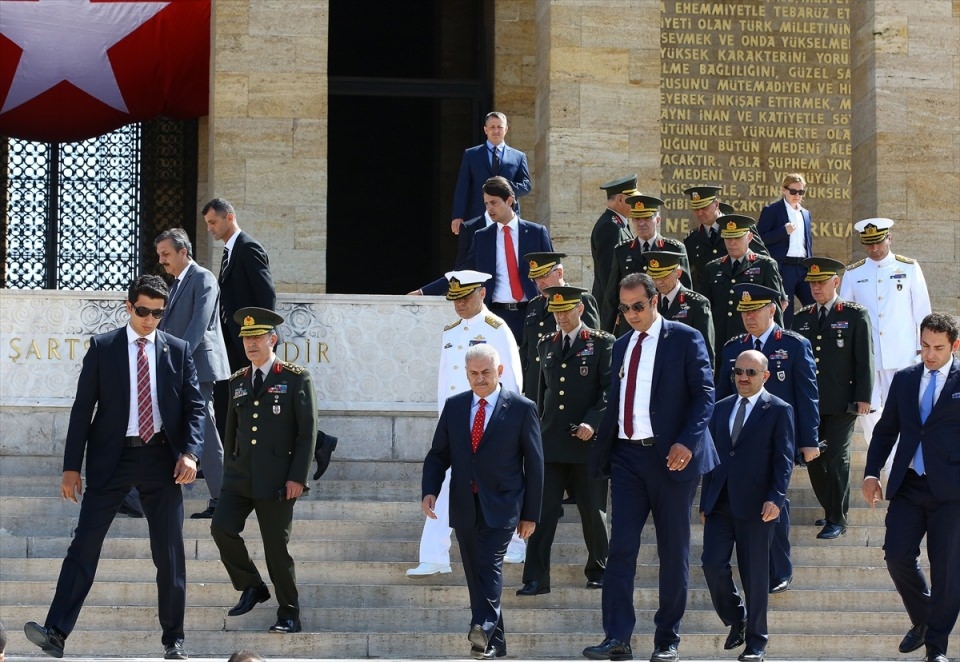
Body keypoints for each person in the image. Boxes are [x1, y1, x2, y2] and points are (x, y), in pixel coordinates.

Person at [24, 275, 205, 661]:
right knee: (84, 545)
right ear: (128, 307)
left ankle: (174, 640)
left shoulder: (178, 350)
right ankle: (56, 632)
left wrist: (190, 452)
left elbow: (195, 407)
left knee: (169, 553)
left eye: (158, 313)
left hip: (161, 460)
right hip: (112, 459)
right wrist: (71, 467)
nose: (150, 320)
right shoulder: (103, 348)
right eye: (143, 311)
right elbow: (82, 409)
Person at [583, 272, 718, 662]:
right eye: (624, 309)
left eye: (638, 307)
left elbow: (705, 394)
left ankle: (667, 638)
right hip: (627, 457)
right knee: (621, 548)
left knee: (672, 551)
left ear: (655, 301)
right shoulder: (621, 344)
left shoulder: (685, 337)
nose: (631, 315)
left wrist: (687, 442)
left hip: (672, 459)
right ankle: (617, 636)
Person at [421, 343, 544, 660]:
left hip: (503, 505)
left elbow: (535, 464)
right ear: (466, 374)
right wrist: (430, 490)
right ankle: (494, 643)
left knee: (488, 566)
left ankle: (482, 626)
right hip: (464, 505)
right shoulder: (456, 406)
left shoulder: (521, 408)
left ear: (499, 371)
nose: (479, 379)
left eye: (485, 372)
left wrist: (530, 514)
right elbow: (438, 455)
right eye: (473, 373)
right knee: (475, 573)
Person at [407, 271, 526, 577]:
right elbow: (444, 382)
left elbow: (511, 379)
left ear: (482, 294)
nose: (459, 305)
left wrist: (507, 423)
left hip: (490, 421)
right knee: (445, 481)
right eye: (455, 299)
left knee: (499, 482)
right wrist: (442, 423)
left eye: (465, 297)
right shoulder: (450, 332)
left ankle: (516, 544)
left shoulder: (497, 329)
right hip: (458, 422)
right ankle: (433, 556)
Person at [210, 308, 317, 635]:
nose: (250, 344)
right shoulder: (238, 380)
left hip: (277, 481)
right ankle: (252, 585)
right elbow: (231, 432)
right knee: (221, 528)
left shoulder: (295, 377)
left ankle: (289, 613)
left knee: (276, 549)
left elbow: (306, 431)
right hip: (240, 477)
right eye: (246, 338)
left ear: (273, 339)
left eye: (257, 337)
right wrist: (228, 473)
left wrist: (297, 477)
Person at [862, 312, 960, 662]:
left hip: (952, 492)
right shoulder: (905, 379)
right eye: (924, 346)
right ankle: (925, 618)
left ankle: (936, 648)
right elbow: (887, 430)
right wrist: (872, 473)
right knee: (898, 555)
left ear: (954, 345)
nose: (930, 354)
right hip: (909, 484)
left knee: (948, 571)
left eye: (938, 347)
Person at [716, 283, 819, 594]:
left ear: (772, 310)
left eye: (755, 310)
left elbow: (807, 395)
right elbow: (722, 396)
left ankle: (779, 570)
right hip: (740, 437)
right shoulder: (733, 347)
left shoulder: (793, 344)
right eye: (744, 311)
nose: (748, 317)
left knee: (776, 500)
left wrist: (810, 438)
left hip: (778, 436)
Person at [701, 349, 795, 662]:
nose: (743, 377)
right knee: (712, 564)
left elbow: (783, 460)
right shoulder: (720, 408)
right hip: (720, 503)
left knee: (755, 577)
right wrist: (705, 501)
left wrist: (776, 498)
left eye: (751, 373)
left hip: (758, 506)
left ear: (765, 376)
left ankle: (757, 642)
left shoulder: (779, 409)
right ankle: (736, 618)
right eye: (738, 372)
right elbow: (711, 458)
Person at [519, 286, 612, 597]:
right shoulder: (546, 343)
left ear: (580, 310)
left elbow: (609, 391)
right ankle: (535, 578)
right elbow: (537, 392)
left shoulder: (600, 343)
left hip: (587, 443)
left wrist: (593, 422)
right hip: (551, 442)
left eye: (567, 310)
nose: (561, 315)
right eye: (556, 311)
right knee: (542, 512)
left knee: (592, 510)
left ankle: (599, 570)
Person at [839, 218, 931, 472]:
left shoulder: (909, 268)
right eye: (869, 244)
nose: (874, 249)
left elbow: (922, 312)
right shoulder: (854, 273)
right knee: (869, 414)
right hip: (867, 358)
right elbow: (845, 317)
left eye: (878, 242)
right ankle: (886, 467)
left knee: (904, 411)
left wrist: (924, 348)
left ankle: (905, 465)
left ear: (889, 238)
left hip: (902, 355)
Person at [792, 257, 874, 540]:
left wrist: (863, 397)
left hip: (842, 402)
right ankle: (831, 510)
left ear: (835, 282)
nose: (816, 288)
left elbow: (864, 358)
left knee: (837, 457)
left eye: (821, 282)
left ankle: (838, 519)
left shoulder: (854, 314)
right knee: (813, 458)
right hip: (810, 404)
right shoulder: (801, 318)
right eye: (812, 283)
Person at [155, 228, 232, 520]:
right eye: (160, 255)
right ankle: (137, 494)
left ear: (183, 252)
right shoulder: (175, 284)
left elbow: (198, 326)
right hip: (178, 368)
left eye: (166, 254)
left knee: (207, 434)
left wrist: (177, 360)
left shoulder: (203, 278)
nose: (162, 260)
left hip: (196, 368)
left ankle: (223, 500)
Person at [463, 176, 554, 341]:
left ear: (509, 200)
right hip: (497, 315)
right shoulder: (482, 237)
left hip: (533, 313)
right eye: (486, 203)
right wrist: (424, 291)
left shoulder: (536, 233)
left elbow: (554, 272)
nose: (489, 208)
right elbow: (463, 270)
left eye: (494, 202)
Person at [203, 198, 277, 371]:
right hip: (232, 340)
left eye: (213, 222)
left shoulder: (248, 247)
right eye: (207, 223)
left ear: (229, 217)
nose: (209, 228)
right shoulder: (230, 250)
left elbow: (267, 294)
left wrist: (260, 337)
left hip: (251, 341)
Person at [601, 194, 690, 337]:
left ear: (658, 220)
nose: (641, 223)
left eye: (647, 218)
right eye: (636, 218)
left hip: (665, 324)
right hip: (631, 326)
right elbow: (611, 296)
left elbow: (685, 292)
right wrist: (606, 335)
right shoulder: (622, 251)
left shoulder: (674, 249)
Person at [518, 252, 600, 402]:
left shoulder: (582, 301)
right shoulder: (534, 305)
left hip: (563, 384)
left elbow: (590, 346)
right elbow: (526, 349)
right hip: (534, 386)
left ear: (560, 272)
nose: (539, 282)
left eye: (544, 276)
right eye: (536, 278)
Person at [703, 215, 785, 362]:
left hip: (751, 341)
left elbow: (775, 308)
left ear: (749, 237)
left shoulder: (765, 265)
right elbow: (707, 308)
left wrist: (779, 342)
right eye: (728, 238)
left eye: (737, 238)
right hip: (720, 342)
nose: (732, 243)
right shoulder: (713, 268)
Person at [451, 112, 531, 235]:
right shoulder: (471, 155)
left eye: (500, 127)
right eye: (492, 127)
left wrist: (504, 186)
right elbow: (462, 187)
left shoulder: (518, 156)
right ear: (485, 129)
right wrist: (457, 215)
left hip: (508, 217)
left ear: (506, 130)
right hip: (478, 216)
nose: (496, 130)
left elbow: (526, 186)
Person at [682, 186, 767, 295]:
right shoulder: (692, 239)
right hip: (709, 302)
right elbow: (688, 273)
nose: (699, 213)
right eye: (696, 209)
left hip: (740, 296)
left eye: (704, 208)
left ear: (716, 204)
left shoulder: (741, 228)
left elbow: (763, 260)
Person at [756, 174, 814, 326]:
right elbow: (759, 238)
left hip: (803, 267)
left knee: (813, 305)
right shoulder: (772, 210)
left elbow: (807, 243)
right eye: (793, 191)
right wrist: (783, 231)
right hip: (784, 267)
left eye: (801, 192)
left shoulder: (805, 214)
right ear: (784, 190)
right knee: (785, 310)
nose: (797, 196)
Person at [642, 250, 716, 366]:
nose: (659, 281)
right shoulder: (649, 303)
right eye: (655, 277)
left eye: (664, 276)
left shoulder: (697, 304)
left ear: (678, 273)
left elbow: (705, 351)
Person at [590, 174, 637, 302]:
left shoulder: (619, 224)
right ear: (620, 199)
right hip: (612, 306)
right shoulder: (609, 226)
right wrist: (614, 309)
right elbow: (609, 274)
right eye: (632, 198)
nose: (635, 203)